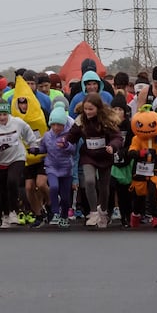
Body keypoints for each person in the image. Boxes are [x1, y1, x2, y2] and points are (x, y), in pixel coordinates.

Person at [64, 93, 124, 228]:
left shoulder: (106, 120)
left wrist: (112, 146)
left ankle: (103, 211)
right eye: (85, 109)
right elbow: (72, 135)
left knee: (104, 187)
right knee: (89, 181)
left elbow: (117, 137)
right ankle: (93, 212)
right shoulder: (81, 120)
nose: (88, 112)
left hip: (104, 155)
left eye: (91, 109)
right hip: (88, 155)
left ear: (98, 108)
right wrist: (65, 142)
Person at [0, 98, 39, 228]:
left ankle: (14, 211)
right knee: (2, 190)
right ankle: (6, 215)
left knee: (12, 181)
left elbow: (28, 131)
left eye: (4, 114)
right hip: (0, 160)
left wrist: (32, 144)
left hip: (17, 156)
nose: (2, 117)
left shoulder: (17, 122)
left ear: (8, 113)